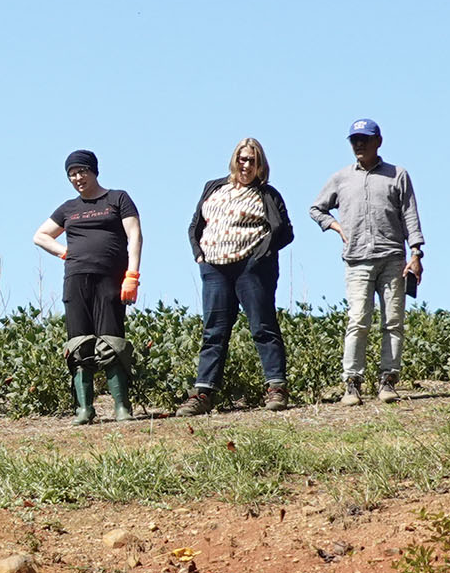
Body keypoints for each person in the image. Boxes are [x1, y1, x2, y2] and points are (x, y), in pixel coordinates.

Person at [307, 118, 425, 406]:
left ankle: (388, 381)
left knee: (393, 322)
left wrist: (417, 253)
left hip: (393, 259)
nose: (359, 144)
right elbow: (316, 209)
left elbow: (410, 214)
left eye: (365, 139)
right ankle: (352, 384)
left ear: (378, 141)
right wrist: (335, 227)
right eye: (354, 140)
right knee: (358, 320)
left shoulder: (398, 175)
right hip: (357, 260)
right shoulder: (340, 178)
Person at [178, 138, 294, 415]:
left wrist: (260, 256)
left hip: (251, 268)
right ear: (234, 160)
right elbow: (197, 223)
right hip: (214, 266)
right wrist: (198, 253)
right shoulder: (214, 187)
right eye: (242, 159)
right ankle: (203, 393)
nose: (246, 165)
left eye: (252, 161)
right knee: (213, 330)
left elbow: (285, 231)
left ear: (260, 165)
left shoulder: (267, 194)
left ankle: (276, 388)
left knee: (262, 326)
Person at [31, 150, 141, 424]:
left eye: (82, 171)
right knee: (79, 342)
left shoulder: (117, 199)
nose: (77, 178)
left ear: (94, 171)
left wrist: (132, 275)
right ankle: (84, 409)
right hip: (76, 278)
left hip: (112, 277)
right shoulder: (68, 208)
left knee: (111, 341)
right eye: (72, 174)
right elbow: (40, 236)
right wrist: (65, 253)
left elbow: (135, 235)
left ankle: (121, 408)